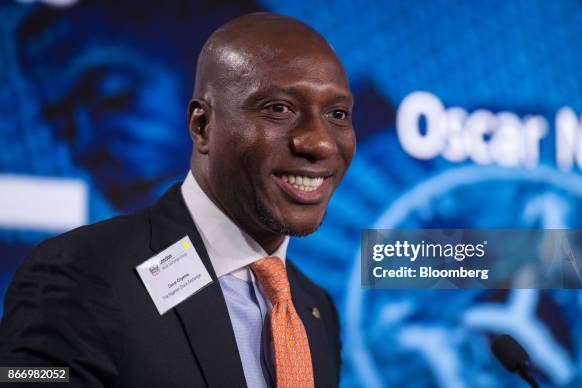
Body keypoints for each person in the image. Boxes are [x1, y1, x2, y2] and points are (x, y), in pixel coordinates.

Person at [0, 12, 355, 388]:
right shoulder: (76, 275)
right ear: (202, 125)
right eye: (278, 109)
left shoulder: (314, 309)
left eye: (337, 114)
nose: (319, 142)